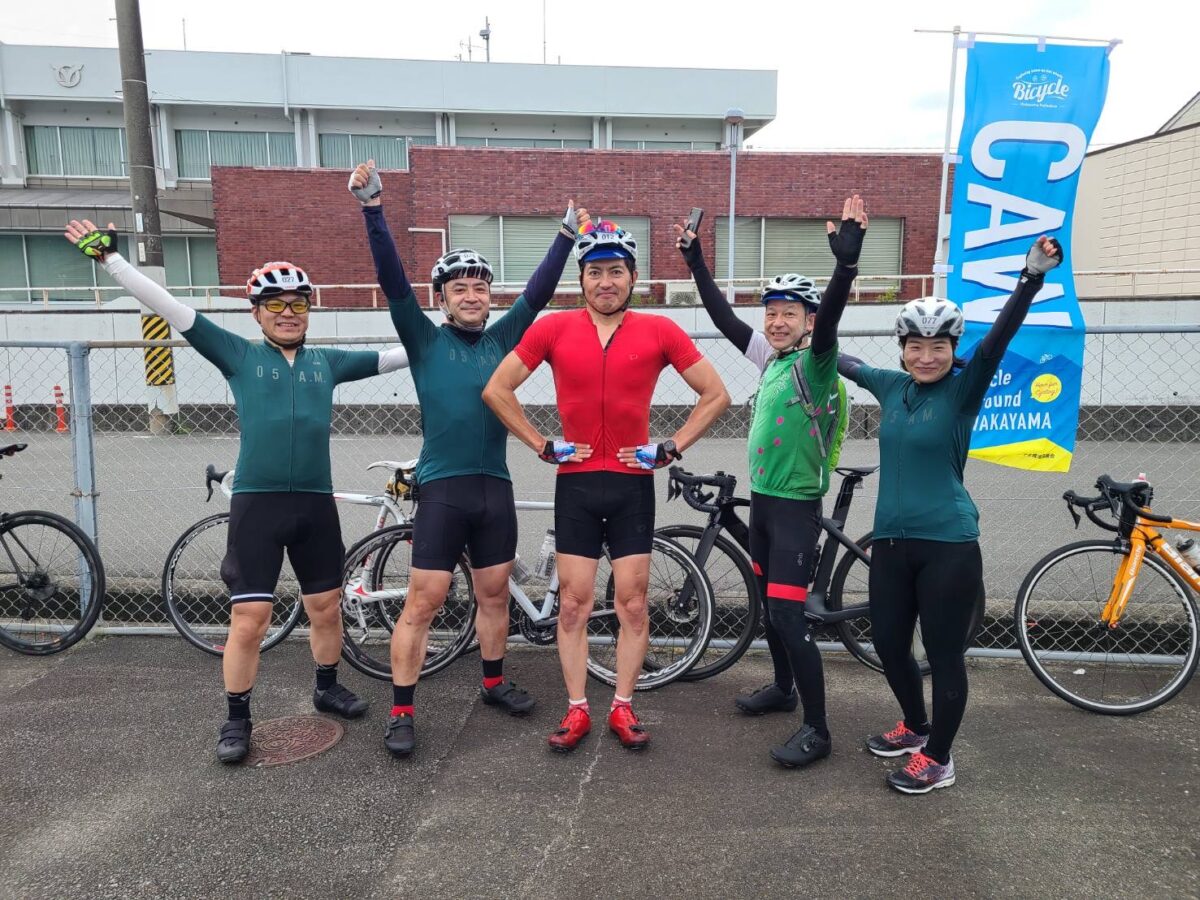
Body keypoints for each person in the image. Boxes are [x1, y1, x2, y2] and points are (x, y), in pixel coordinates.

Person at [64, 218, 411, 765]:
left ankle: (326, 687)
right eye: (275, 304)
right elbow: (169, 306)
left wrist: (455, 328)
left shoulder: (328, 362)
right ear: (256, 312)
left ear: (308, 310)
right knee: (250, 620)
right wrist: (112, 261)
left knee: (326, 608)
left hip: (315, 504)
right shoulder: (238, 355)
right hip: (259, 504)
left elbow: (406, 351)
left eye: (298, 303)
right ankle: (237, 718)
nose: (288, 312)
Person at [349, 161, 580, 757]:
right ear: (443, 298)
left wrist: (565, 237)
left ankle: (494, 683)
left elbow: (536, 295)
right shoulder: (424, 338)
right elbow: (392, 281)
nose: (473, 296)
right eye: (460, 288)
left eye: (480, 287)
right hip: (444, 489)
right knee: (423, 601)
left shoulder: (503, 339)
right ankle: (402, 710)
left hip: (494, 487)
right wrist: (374, 210)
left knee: (494, 595)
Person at [482, 219, 730, 752]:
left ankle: (622, 704)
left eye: (616, 271)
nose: (606, 282)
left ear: (633, 277)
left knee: (633, 603)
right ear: (582, 279)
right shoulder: (553, 328)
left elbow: (716, 394)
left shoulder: (659, 330)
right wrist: (541, 443)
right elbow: (497, 389)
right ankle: (576, 709)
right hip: (575, 483)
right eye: (595, 272)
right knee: (574, 603)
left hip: (631, 484)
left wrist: (671, 446)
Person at [838, 234, 1063, 793]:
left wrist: (1030, 278)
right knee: (888, 644)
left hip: (948, 546)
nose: (926, 356)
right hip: (891, 544)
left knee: (942, 656)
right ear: (902, 348)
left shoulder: (964, 391)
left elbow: (997, 342)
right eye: (916, 345)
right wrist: (805, 335)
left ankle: (939, 757)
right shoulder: (891, 386)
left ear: (952, 347)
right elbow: (843, 361)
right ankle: (915, 727)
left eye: (938, 346)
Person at [676, 196, 868, 768]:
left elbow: (830, 325)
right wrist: (696, 263)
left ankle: (818, 730)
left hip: (794, 511)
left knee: (788, 615)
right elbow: (725, 320)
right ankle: (784, 690)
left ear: (809, 320)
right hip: (764, 505)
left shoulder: (816, 363)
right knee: (767, 604)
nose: (777, 322)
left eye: (790, 313)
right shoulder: (772, 359)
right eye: (772, 313)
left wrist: (845, 268)